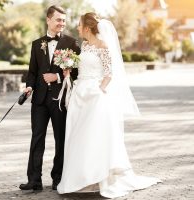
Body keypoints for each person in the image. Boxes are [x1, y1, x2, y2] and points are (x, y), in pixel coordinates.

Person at [57, 12, 161, 198]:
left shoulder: (103, 46)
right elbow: (82, 70)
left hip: (95, 97)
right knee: (79, 138)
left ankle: (100, 176)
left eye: (80, 25)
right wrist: (67, 72)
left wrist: (99, 91)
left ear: (88, 27)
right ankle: (82, 179)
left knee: (94, 137)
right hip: (80, 95)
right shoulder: (85, 46)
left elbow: (108, 74)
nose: (78, 28)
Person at [19, 5, 80, 191]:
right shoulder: (37, 44)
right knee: (37, 138)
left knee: (60, 139)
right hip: (38, 100)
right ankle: (34, 180)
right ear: (48, 19)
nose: (62, 23)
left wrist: (58, 77)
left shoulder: (71, 43)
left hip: (59, 100)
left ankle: (58, 178)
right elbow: (32, 71)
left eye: (64, 20)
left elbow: (77, 72)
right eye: (58, 20)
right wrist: (29, 85)